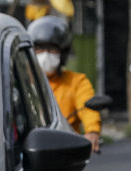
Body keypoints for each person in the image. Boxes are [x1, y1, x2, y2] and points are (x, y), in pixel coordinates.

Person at [28, 16, 102, 153]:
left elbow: (88, 108)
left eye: (51, 49)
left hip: (65, 152)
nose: (45, 54)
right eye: (40, 49)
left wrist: (92, 131)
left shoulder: (76, 82)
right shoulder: (23, 83)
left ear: (63, 53)